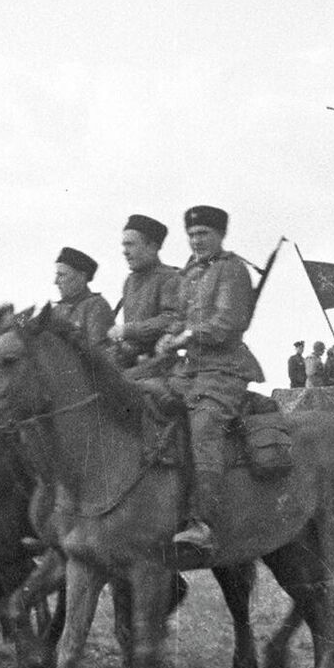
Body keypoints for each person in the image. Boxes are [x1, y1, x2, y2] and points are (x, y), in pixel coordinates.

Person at [154, 205, 263, 569]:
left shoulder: (232, 270)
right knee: (150, 404)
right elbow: (180, 318)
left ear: (220, 235)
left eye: (204, 234)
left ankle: (204, 523)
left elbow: (228, 323)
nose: (197, 240)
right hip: (191, 369)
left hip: (224, 371)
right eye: (193, 234)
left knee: (203, 427)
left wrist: (186, 334)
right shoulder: (191, 272)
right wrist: (169, 336)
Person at [107, 213, 184, 367]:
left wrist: (129, 330)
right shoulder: (130, 281)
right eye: (124, 245)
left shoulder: (170, 278)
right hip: (131, 360)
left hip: (160, 362)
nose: (125, 251)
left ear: (152, 247)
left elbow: (172, 319)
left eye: (130, 244)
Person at [49, 246, 114, 349]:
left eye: (62, 275)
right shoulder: (57, 310)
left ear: (82, 277)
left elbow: (100, 354)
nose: (56, 281)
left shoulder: (96, 306)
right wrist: (19, 320)